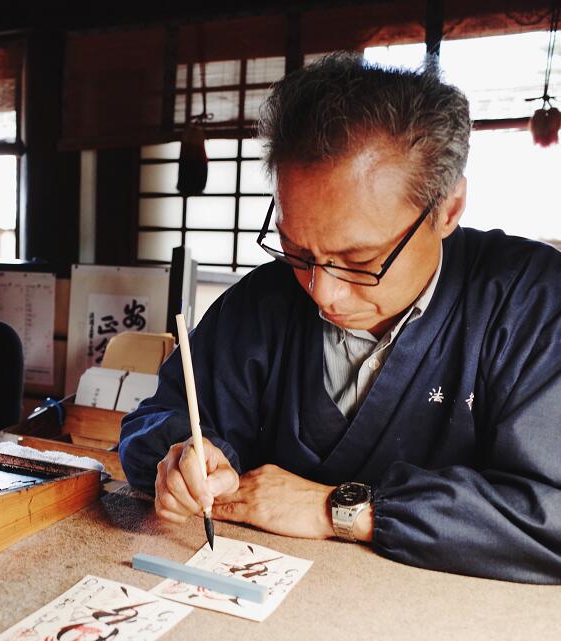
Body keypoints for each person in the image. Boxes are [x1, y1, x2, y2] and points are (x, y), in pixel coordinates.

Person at [119, 53, 561, 583]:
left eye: (360, 260)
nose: (322, 293)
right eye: (296, 250)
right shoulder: (264, 299)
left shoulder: (532, 302)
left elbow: (549, 516)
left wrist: (339, 509)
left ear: (447, 208)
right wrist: (183, 459)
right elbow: (155, 420)